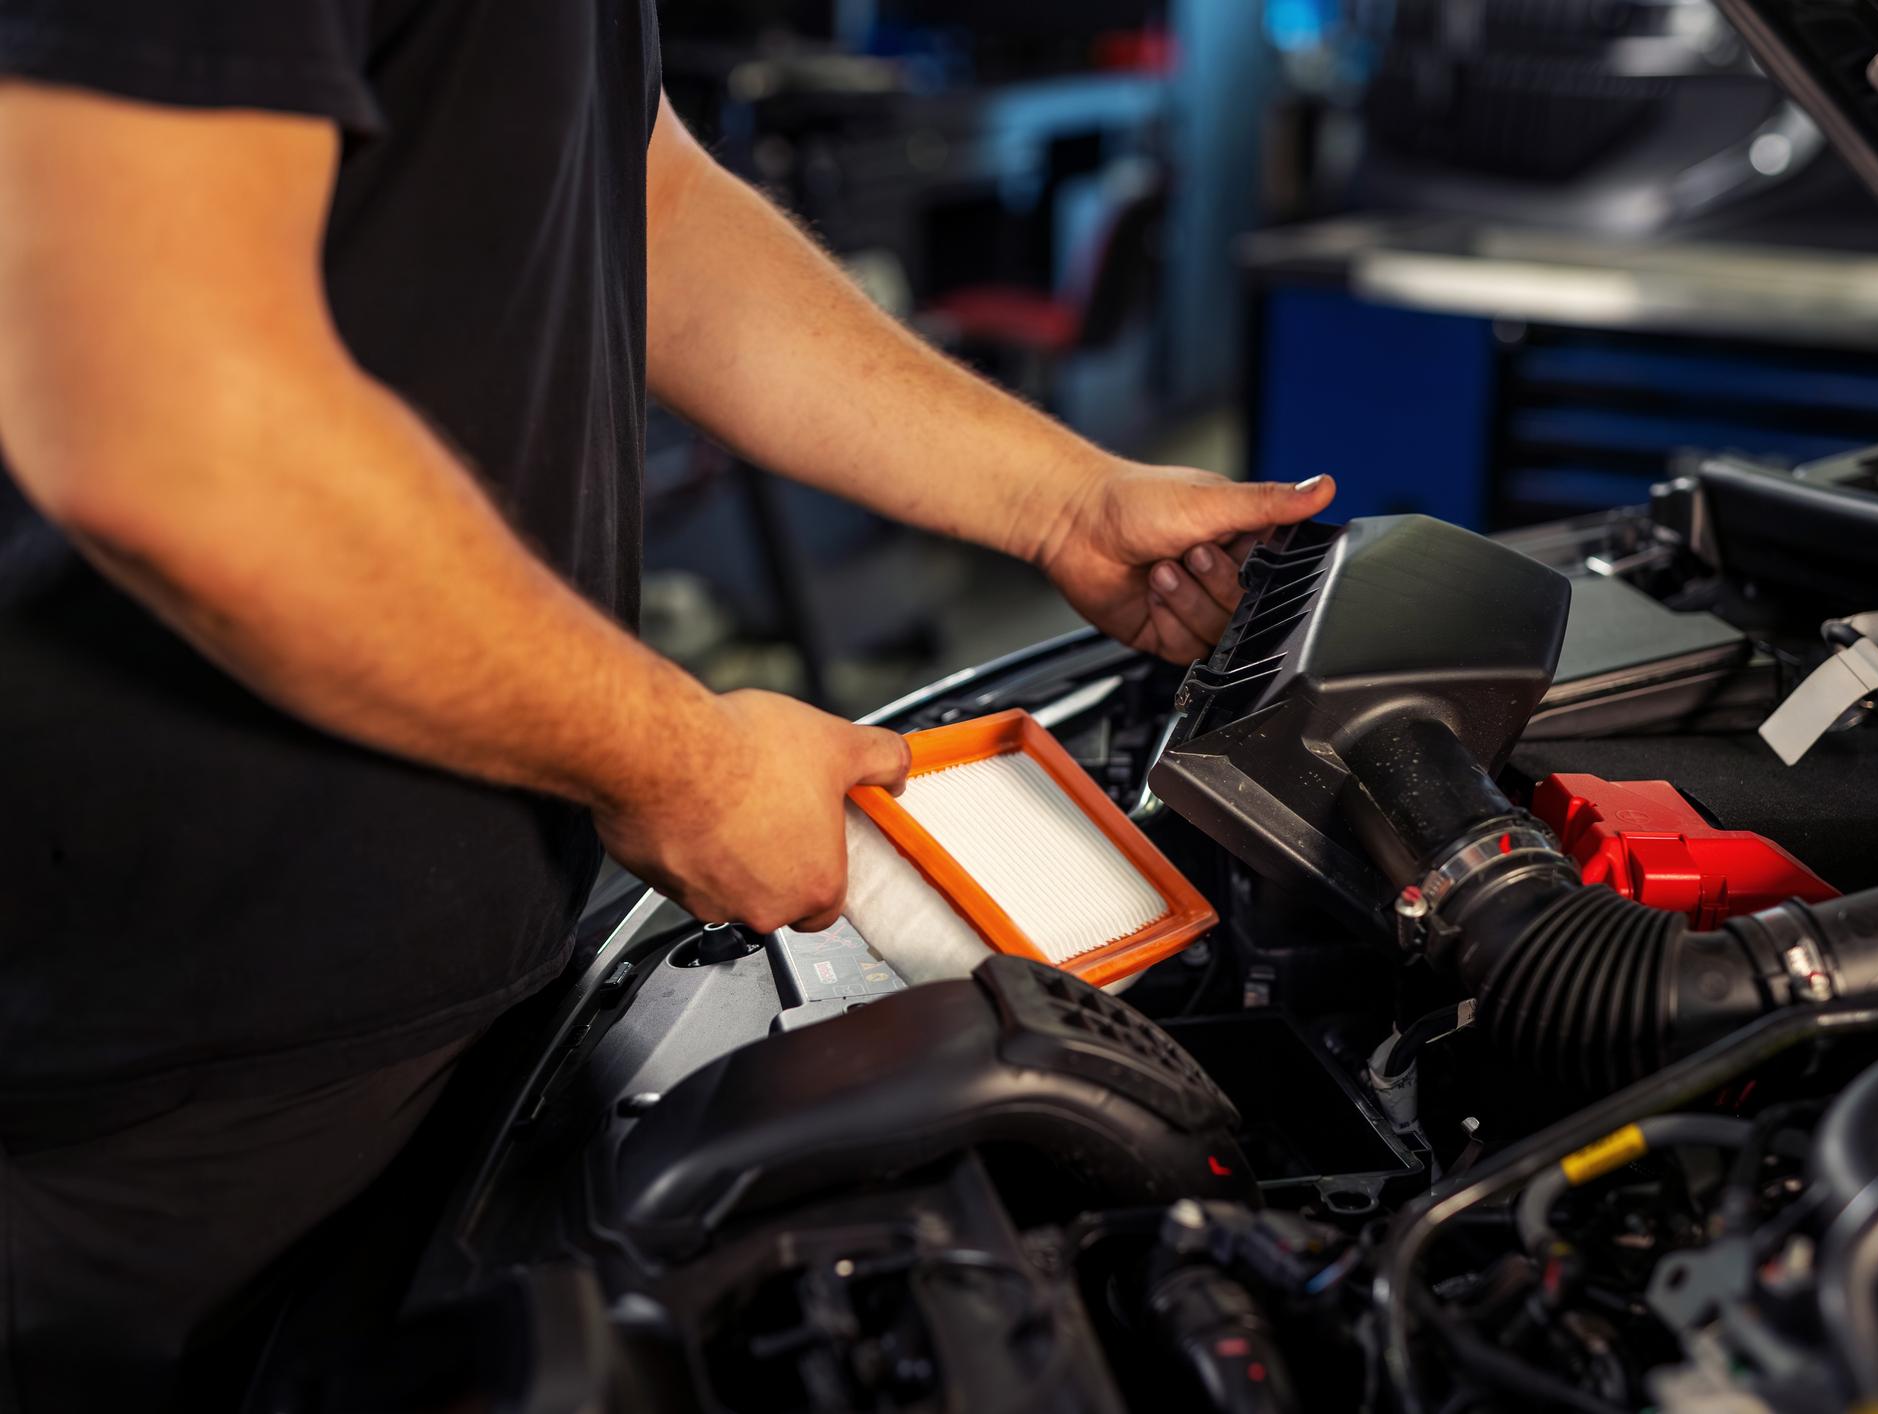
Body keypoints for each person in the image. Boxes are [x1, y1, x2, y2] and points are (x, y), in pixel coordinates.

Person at [0, 0, 1336, 1406]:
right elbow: (165, 425)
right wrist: (682, 765)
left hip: (472, 965)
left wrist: (1058, 495)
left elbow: (643, 197)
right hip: (159, 1043)